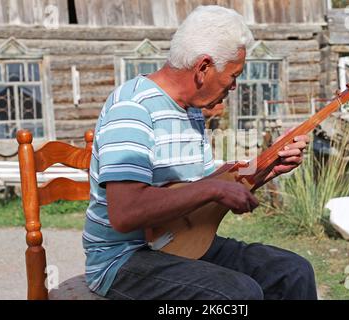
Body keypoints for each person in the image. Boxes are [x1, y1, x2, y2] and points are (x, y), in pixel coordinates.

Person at [83, 5, 317, 300]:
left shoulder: (191, 111)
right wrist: (212, 189)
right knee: (238, 295)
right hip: (125, 260)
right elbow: (125, 212)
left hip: (181, 243)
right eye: (233, 75)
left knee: (292, 272)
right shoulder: (132, 108)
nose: (234, 86)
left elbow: (205, 184)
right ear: (203, 67)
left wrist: (268, 167)